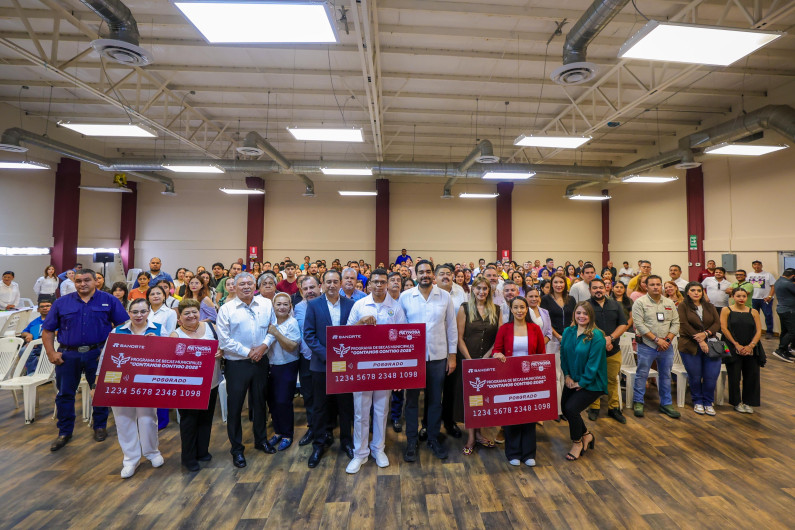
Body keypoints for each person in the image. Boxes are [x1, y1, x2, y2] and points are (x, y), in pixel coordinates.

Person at [41, 269, 128, 451]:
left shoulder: (109, 300)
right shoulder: (62, 303)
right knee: (65, 394)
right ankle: (64, 432)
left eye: (87, 280)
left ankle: (99, 426)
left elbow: (123, 327)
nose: (82, 284)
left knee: (100, 392)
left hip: (98, 353)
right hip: (67, 355)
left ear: (96, 281)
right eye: (78, 281)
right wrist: (51, 353)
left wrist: (112, 351)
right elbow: (48, 330)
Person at [344, 269, 407, 474]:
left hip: (385, 368)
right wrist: (361, 323)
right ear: (368, 284)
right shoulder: (359, 305)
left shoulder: (396, 308)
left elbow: (403, 339)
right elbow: (346, 334)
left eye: (382, 282)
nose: (379, 285)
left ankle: (378, 449)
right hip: (362, 367)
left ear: (387, 284)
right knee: (361, 412)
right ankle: (360, 454)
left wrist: (398, 372)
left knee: (381, 411)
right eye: (375, 282)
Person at [216, 272, 278, 468]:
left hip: (261, 361)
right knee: (235, 408)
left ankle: (261, 441)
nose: (246, 287)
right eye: (241, 284)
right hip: (237, 365)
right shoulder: (226, 309)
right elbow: (225, 340)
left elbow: (273, 328)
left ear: (255, 286)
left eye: (249, 283)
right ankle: (237, 449)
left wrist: (263, 347)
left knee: (260, 404)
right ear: (233, 286)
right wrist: (249, 352)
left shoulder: (266, 304)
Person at [399, 260, 457, 462]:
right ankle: (411, 441)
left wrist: (452, 356)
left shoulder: (445, 296)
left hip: (438, 357)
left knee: (434, 401)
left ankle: (432, 438)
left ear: (433, 274)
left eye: (428, 271)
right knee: (412, 402)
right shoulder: (405, 297)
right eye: (421, 272)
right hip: (412, 359)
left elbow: (451, 327)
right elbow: (399, 330)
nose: (425, 274)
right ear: (415, 275)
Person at [101, 298, 165, 478]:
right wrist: (99, 382)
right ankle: (130, 459)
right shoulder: (118, 331)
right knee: (123, 421)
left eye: (143, 311)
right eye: (135, 312)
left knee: (147, 419)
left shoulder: (158, 330)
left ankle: (152, 452)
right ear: (128, 313)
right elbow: (106, 357)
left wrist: (158, 343)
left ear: (149, 312)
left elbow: (169, 357)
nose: (139, 315)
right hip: (121, 383)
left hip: (147, 381)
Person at [303, 269, 356, 468]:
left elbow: (355, 334)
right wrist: (329, 356)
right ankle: (318, 445)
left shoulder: (351, 305)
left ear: (341, 283)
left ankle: (346, 442)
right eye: (328, 282)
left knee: (345, 406)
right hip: (321, 365)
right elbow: (309, 335)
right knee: (320, 407)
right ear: (322, 285)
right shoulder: (314, 305)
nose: (332, 285)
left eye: (335, 281)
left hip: (345, 367)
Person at [490, 296, 546, 466]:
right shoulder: (504, 329)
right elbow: (496, 350)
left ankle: (529, 453)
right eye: (516, 307)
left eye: (522, 307)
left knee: (529, 414)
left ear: (527, 309)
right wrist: (497, 355)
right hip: (510, 378)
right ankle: (513, 452)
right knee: (512, 415)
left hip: (529, 378)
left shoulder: (535, 328)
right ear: (511, 310)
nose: (520, 310)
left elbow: (541, 354)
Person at [170, 298, 221, 471]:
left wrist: (220, 351)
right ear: (180, 318)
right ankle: (189, 457)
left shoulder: (211, 328)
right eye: (187, 313)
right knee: (189, 421)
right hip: (187, 387)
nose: (191, 315)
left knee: (206, 419)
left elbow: (222, 346)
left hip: (211, 382)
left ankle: (202, 451)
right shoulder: (176, 335)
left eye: (194, 312)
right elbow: (172, 363)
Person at [455, 277, 500, 455]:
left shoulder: (497, 309)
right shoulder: (464, 308)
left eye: (485, 289)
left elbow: (499, 337)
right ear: (473, 290)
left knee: (483, 400)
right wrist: (470, 360)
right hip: (468, 360)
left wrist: (487, 357)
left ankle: (479, 434)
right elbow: (459, 338)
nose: (482, 291)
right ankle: (472, 437)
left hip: (487, 362)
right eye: (478, 288)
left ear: (489, 291)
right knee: (471, 399)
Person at [560, 302, 607, 461]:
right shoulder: (568, 331)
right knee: (565, 410)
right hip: (572, 379)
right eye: (578, 313)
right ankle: (586, 435)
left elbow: (594, 364)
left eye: (585, 314)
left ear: (591, 316)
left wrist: (582, 383)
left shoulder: (597, 335)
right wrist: (567, 375)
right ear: (574, 313)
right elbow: (564, 356)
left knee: (572, 409)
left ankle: (577, 443)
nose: (581, 316)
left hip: (592, 382)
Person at [631, 275, 681, 419]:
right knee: (642, 374)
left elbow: (676, 323)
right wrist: (657, 340)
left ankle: (666, 404)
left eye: (658, 284)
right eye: (652, 284)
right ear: (646, 286)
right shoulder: (640, 303)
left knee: (665, 376)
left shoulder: (669, 303)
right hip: (647, 345)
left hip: (666, 346)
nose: (655, 287)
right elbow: (639, 324)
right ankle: (638, 402)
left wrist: (667, 339)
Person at [586, 278, 628, 424]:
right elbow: (582, 326)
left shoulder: (615, 304)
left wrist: (610, 339)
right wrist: (601, 342)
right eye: (595, 288)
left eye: (601, 287)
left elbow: (623, 324)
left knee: (612, 380)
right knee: (593, 379)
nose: (598, 290)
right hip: (592, 351)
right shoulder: (585, 306)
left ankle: (613, 408)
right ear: (590, 290)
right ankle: (594, 407)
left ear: (606, 289)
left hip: (613, 349)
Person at [263, 292, 301, 452]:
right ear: (273, 306)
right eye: (278, 304)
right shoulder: (269, 322)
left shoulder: (292, 323)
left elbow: (292, 346)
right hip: (269, 366)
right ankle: (278, 431)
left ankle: (287, 434)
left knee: (283, 401)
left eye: (286, 304)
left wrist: (277, 333)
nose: (282, 307)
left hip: (286, 366)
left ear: (290, 307)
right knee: (272, 401)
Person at [677, 282, 722, 416]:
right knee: (695, 376)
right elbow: (683, 324)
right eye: (693, 290)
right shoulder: (683, 306)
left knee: (711, 376)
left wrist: (706, 334)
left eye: (699, 290)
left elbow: (717, 323)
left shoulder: (710, 306)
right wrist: (700, 339)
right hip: (689, 345)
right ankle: (697, 401)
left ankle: (708, 402)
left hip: (713, 344)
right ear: (687, 292)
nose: (696, 293)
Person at [721, 288, 763, 413]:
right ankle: (736, 402)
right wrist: (736, 344)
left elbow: (759, 330)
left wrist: (751, 346)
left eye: (744, 296)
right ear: (733, 296)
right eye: (738, 296)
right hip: (732, 346)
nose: (741, 298)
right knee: (734, 376)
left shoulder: (753, 311)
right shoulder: (726, 310)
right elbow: (724, 328)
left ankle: (749, 402)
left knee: (752, 375)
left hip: (751, 347)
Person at [540, 273, 575, 417]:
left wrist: (566, 336)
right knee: (555, 376)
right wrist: (559, 337)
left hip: (569, 339)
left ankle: (567, 407)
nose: (559, 285)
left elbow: (575, 317)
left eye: (561, 282)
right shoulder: (545, 300)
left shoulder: (571, 299)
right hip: (552, 340)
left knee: (567, 374)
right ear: (551, 284)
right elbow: (546, 321)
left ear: (565, 284)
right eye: (556, 282)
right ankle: (557, 409)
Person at [294, 275, 321, 446]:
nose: (309, 291)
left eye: (312, 287)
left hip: (324, 358)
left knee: (324, 396)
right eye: (305, 289)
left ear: (320, 287)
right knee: (309, 395)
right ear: (301, 291)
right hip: (306, 358)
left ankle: (326, 428)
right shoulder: (297, 307)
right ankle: (312, 427)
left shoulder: (325, 304)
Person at [19, 300, 52, 375]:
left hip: (51, 343)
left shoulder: (57, 320)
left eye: (48, 306)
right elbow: (23, 332)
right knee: (23, 350)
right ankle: (32, 373)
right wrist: (28, 335)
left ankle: (44, 373)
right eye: (42, 306)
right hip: (35, 345)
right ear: (38, 309)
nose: (45, 308)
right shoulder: (34, 322)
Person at [747, 260, 776, 337]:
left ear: (761, 266)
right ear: (752, 266)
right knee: (753, 316)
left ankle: (769, 332)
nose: (757, 266)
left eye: (758, 265)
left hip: (765, 299)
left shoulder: (768, 275)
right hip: (753, 299)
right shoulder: (749, 275)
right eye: (755, 265)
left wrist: (769, 296)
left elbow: (773, 286)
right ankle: (754, 332)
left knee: (768, 315)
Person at [772, 269, 795, 362]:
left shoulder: (778, 281)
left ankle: (784, 351)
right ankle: (780, 350)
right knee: (793, 332)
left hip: (782, 310)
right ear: (793, 276)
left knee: (785, 331)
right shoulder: (788, 284)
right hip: (788, 311)